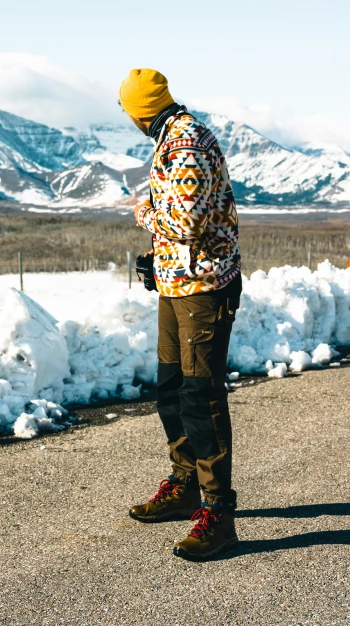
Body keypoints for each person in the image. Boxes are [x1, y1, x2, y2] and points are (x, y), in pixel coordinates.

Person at [119, 68, 242, 561]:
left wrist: (144, 214)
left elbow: (187, 222)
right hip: (177, 282)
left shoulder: (184, 144)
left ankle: (219, 514)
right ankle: (185, 485)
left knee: (200, 397)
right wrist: (159, 257)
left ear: (136, 109)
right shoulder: (169, 137)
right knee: (171, 387)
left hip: (203, 288)